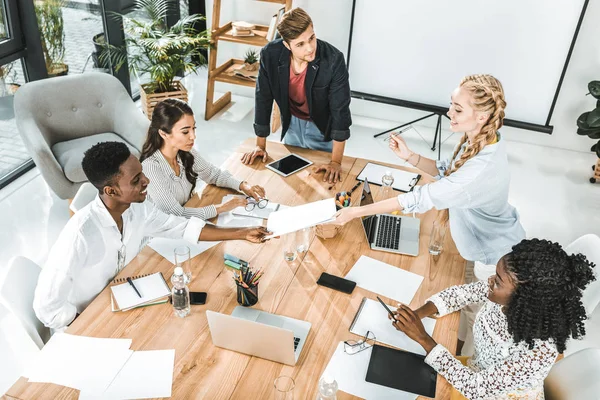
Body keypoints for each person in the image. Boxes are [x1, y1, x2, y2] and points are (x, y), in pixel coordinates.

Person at [332, 74, 525, 354]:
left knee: (474, 318)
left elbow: (419, 198)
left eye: (458, 109)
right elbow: (447, 170)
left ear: (482, 116)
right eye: (452, 105)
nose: (449, 113)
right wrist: (410, 157)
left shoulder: (480, 169)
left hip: (493, 257)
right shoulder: (488, 139)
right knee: (463, 306)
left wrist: (356, 212)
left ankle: (465, 360)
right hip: (486, 243)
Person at [34, 142, 270, 330]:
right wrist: (82, 322)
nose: (146, 181)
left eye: (142, 174)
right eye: (136, 181)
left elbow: (180, 227)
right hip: (91, 318)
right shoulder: (79, 236)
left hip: (129, 297)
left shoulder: (137, 207)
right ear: (111, 191)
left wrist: (241, 233)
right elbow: (46, 308)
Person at [389, 239, 596, 399]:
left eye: (497, 281)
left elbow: (476, 389)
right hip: (473, 371)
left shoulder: (538, 352)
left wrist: (423, 338)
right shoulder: (503, 297)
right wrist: (417, 315)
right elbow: (461, 295)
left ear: (524, 299)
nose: (489, 281)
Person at [240, 7, 352, 184]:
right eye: (300, 44)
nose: (309, 48)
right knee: (293, 178)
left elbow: (340, 111)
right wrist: (260, 146)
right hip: (291, 122)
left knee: (323, 181)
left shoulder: (333, 59)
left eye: (311, 38)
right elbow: (263, 97)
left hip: (321, 126)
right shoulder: (270, 54)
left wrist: (336, 161)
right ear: (287, 45)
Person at [140, 98, 266, 220]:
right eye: (185, 132)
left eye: (193, 128)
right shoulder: (151, 168)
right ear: (163, 133)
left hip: (189, 221)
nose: (193, 136)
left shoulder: (184, 152)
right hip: (162, 234)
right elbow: (175, 214)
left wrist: (243, 186)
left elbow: (213, 174)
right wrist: (221, 208)